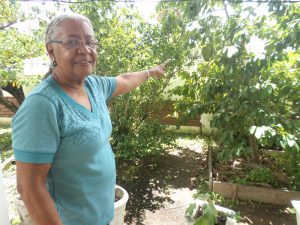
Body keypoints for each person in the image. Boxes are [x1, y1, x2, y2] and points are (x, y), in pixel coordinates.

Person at [12, 13, 168, 225]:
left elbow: (125, 79)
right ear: (51, 49)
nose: (85, 49)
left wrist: (151, 72)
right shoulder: (43, 105)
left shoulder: (93, 86)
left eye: (90, 41)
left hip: (100, 217)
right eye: (73, 41)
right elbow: (29, 187)